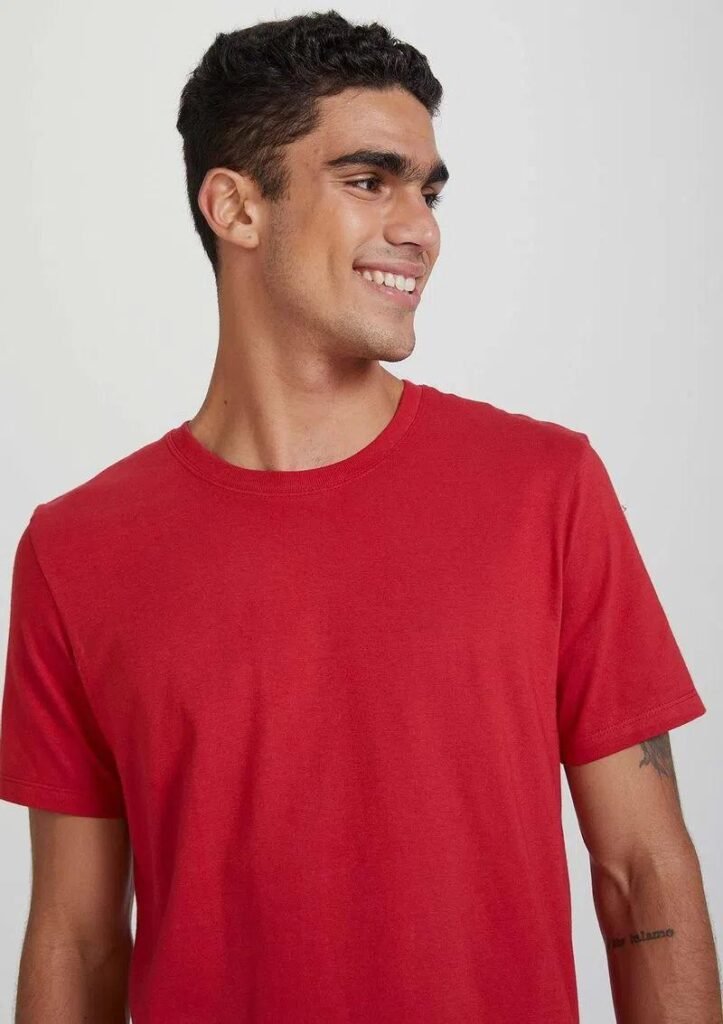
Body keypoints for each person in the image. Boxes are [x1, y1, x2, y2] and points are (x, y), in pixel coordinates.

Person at [1, 11, 719, 1024]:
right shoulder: (76, 551)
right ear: (236, 207)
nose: (420, 227)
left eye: (428, 190)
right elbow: (74, 940)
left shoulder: (545, 490)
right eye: (370, 180)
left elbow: (643, 874)